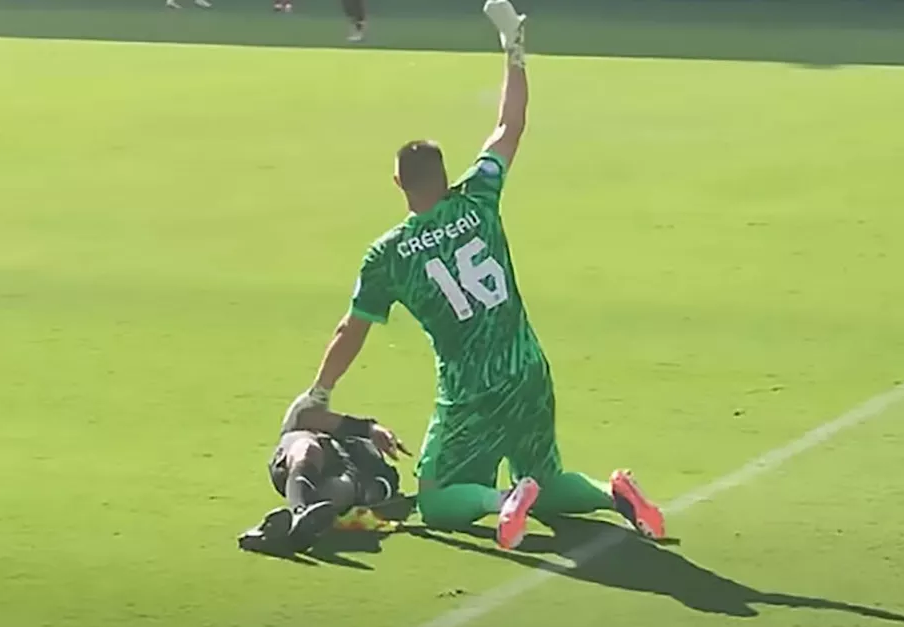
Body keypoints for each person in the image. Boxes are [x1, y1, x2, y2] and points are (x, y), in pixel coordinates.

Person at [284, 0, 666, 551]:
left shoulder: (388, 254)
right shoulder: (479, 198)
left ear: (399, 184)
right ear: (444, 174)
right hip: (527, 365)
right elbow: (511, 123)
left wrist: (320, 391)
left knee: (438, 498)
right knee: (549, 478)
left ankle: (501, 502)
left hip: (471, 389)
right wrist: (514, 48)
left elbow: (353, 329)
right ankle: (614, 495)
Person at [238, 405, 409, 554]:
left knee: (340, 489)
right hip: (294, 459)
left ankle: (281, 533)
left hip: (336, 484)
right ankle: (299, 513)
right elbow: (306, 416)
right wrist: (369, 428)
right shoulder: (353, 431)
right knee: (307, 448)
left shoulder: (377, 467)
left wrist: (368, 493)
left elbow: (382, 488)